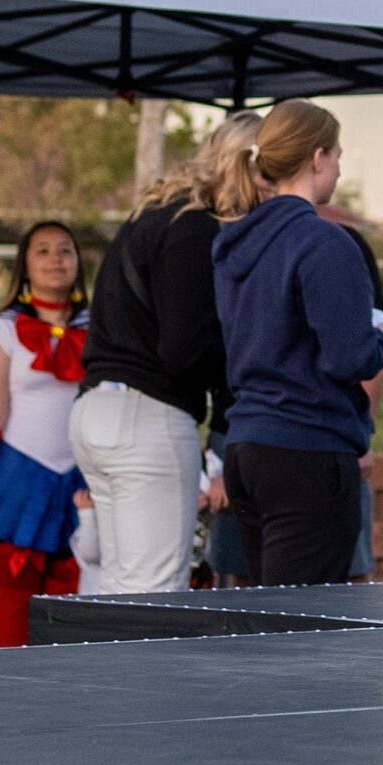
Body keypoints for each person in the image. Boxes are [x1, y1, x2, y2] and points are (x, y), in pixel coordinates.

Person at [75, 113, 260, 596]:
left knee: (119, 588)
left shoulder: (157, 212)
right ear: (251, 168)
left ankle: (108, 674)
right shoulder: (195, 226)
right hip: (147, 416)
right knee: (155, 594)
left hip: (100, 407)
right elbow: (184, 349)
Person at [210, 99, 383, 586]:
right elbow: (347, 356)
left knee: (271, 614)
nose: (337, 167)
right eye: (336, 155)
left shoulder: (233, 242)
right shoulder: (325, 242)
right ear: (316, 158)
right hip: (307, 444)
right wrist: (379, 342)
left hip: (246, 443)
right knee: (301, 628)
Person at [0, 221, 91, 646]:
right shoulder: (3, 330)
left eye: (65, 250)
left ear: (78, 263)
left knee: (76, 597)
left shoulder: (101, 328)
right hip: (20, 476)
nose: (55, 259)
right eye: (42, 250)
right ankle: (4, 698)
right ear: (24, 265)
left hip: (83, 475)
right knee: (16, 596)